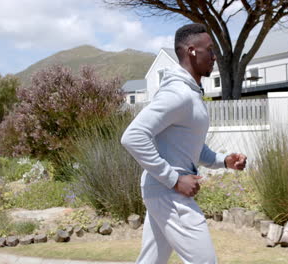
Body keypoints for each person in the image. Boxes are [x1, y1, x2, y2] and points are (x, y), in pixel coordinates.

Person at [121, 23, 247, 264]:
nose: (214, 56)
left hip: (160, 192)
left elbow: (190, 148)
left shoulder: (189, 94)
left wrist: (223, 160)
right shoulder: (178, 94)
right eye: (209, 50)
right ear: (191, 51)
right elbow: (133, 136)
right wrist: (175, 179)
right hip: (169, 193)